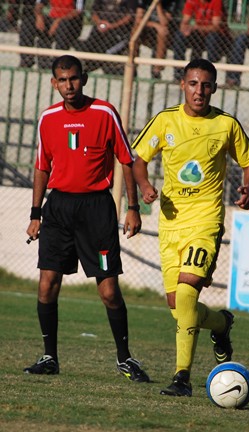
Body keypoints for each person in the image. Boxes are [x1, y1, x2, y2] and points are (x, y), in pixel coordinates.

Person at [132, 59, 249, 397]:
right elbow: (138, 160)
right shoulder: (165, 120)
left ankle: (182, 378)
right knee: (179, 309)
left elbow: (248, 163)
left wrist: (248, 187)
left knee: (187, 296)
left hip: (205, 221)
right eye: (193, 84)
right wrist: (145, 187)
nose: (199, 91)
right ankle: (221, 324)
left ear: (214, 88)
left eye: (205, 85)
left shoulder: (225, 124)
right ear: (182, 85)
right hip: (171, 224)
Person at [24, 55, 150, 383]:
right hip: (59, 209)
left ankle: (125, 358)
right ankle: (49, 356)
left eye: (74, 79)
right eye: (62, 80)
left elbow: (126, 159)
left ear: (85, 78)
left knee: (108, 291)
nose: (69, 85)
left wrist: (133, 208)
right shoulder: (48, 118)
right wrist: (36, 214)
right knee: (47, 284)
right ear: (54, 83)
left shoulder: (104, 112)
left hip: (97, 210)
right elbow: (42, 166)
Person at [171, 0, 232, 81]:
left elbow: (215, 27)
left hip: (217, 37)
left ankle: (209, 75)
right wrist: (186, 29)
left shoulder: (217, 1)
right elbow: (184, 22)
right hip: (199, 35)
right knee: (180, 35)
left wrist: (195, 28)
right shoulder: (192, 1)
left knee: (212, 37)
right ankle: (178, 74)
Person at [19, 0, 84, 69]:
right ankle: (26, 59)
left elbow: (78, 11)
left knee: (63, 26)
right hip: (53, 19)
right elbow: (39, 5)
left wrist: (59, 21)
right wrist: (39, 16)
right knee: (28, 22)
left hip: (70, 22)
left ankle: (58, 61)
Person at [82, 0, 137, 75]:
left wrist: (112, 26)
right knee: (87, 47)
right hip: (100, 30)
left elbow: (130, 16)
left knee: (109, 52)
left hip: (119, 32)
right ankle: (88, 67)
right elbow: (94, 12)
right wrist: (99, 22)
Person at [134, 0, 181, 79]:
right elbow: (138, 20)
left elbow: (164, 22)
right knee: (135, 29)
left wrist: (158, 5)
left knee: (163, 31)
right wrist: (155, 25)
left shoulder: (170, 2)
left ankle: (157, 70)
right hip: (147, 29)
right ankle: (133, 65)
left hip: (163, 32)